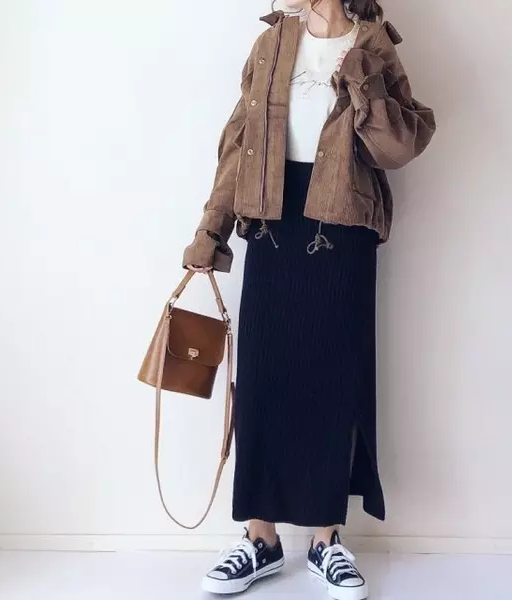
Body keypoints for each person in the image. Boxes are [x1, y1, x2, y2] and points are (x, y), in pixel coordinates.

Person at [183, 1, 435, 598]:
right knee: (263, 377)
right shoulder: (272, 43)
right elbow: (238, 142)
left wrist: (363, 79)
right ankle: (260, 540)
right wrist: (210, 232)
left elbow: (399, 146)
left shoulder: (373, 44)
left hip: (342, 223)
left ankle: (326, 540)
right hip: (272, 219)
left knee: (333, 378)